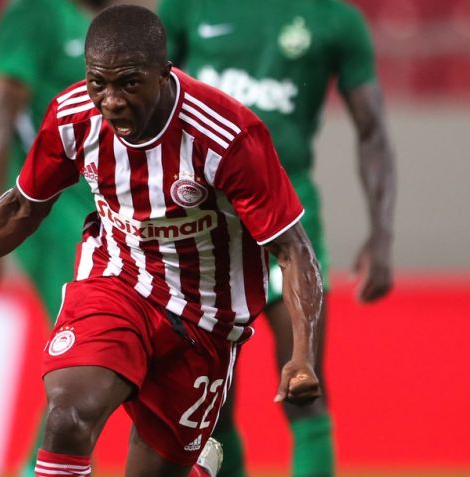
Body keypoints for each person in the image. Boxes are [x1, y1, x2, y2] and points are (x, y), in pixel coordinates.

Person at [0, 5, 323, 476]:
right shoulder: (73, 116)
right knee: (67, 416)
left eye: (129, 83)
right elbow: (22, 207)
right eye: (98, 83)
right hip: (116, 280)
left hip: (204, 317)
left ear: (163, 74)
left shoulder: (228, 137)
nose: (110, 101)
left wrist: (302, 355)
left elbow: (293, 250)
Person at [158, 0, 396, 475]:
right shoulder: (186, 6)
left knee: (304, 387)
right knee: (208, 405)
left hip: (288, 219)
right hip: (202, 220)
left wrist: (381, 235)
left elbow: (372, 130)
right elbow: (146, 94)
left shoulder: (335, 19)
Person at [0, 1, 110, 475]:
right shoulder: (35, 15)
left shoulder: (111, 24)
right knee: (85, 344)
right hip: (50, 212)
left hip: (102, 211)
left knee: (100, 346)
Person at [0, 0, 110, 321]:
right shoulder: (33, 15)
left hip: (97, 206)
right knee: (86, 329)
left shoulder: (84, 22)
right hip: (54, 211)